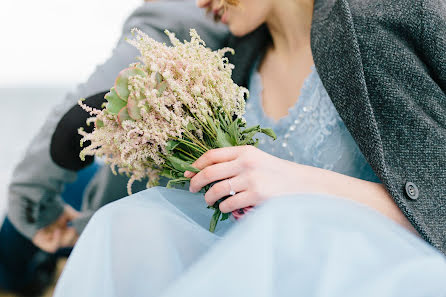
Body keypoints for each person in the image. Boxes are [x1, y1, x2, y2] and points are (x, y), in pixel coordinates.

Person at [53, 0, 446, 296]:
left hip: (375, 270)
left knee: (280, 227)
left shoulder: (389, 16)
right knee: (131, 222)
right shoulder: (232, 60)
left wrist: (294, 182)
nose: (201, 2)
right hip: (262, 270)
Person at [0, 0, 227, 295]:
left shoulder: (200, 16)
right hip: (156, 198)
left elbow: (81, 115)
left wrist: (31, 202)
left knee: (17, 233)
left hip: (172, 216)